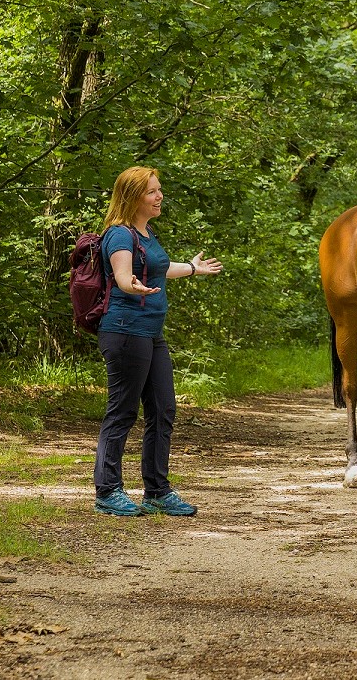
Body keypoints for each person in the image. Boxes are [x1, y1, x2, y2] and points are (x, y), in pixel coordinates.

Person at [92, 166, 222, 517]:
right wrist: (132, 286)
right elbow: (122, 277)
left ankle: (157, 492)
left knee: (163, 409)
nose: (159, 196)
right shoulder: (119, 235)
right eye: (152, 191)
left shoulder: (146, 234)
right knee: (122, 410)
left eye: (159, 189)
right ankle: (107, 490)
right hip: (124, 330)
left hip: (151, 333)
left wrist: (194, 269)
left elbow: (158, 269)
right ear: (133, 197)